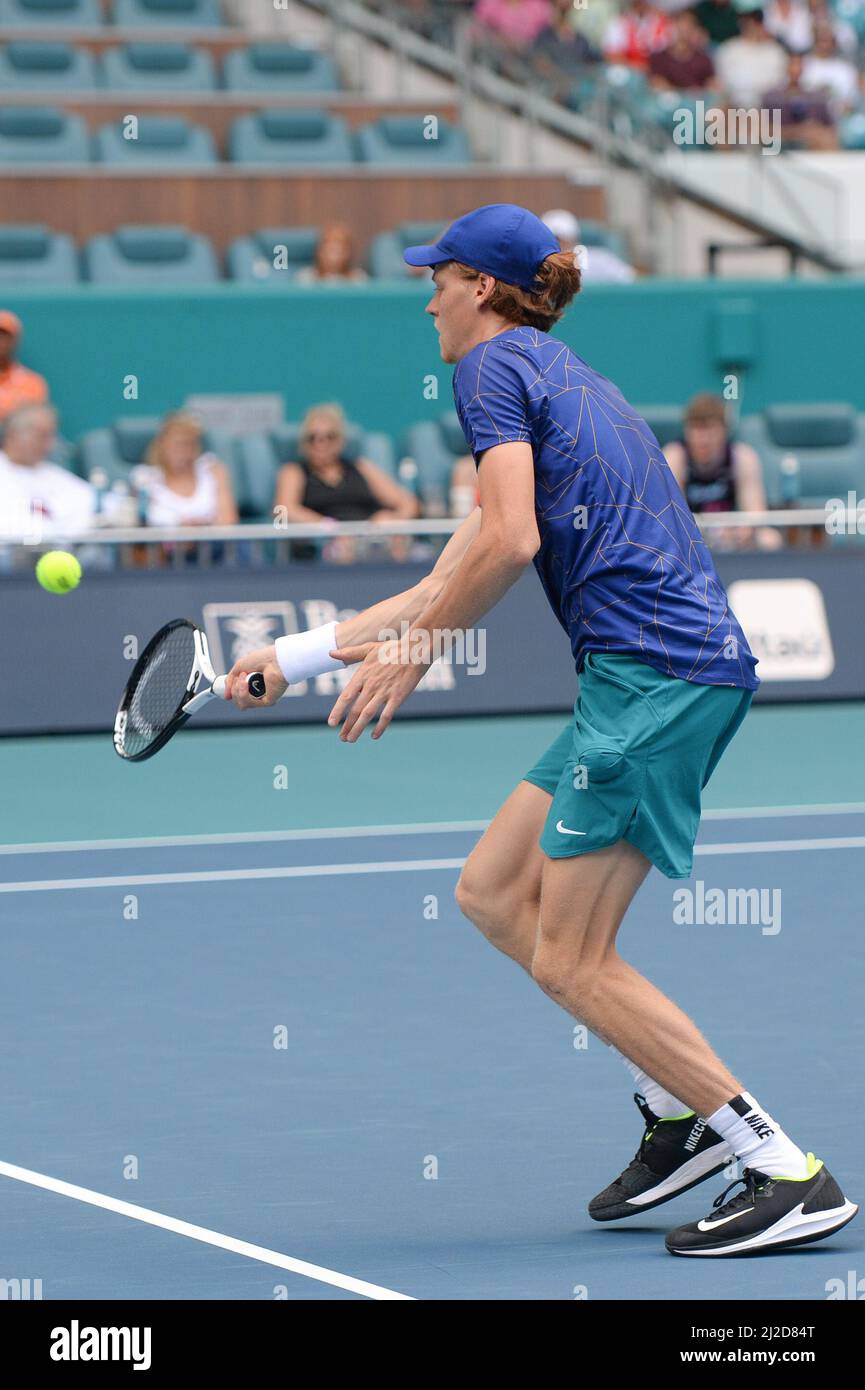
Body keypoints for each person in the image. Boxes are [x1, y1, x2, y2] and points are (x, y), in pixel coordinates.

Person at [224, 204, 856, 1257]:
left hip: (655, 679)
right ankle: (673, 1111)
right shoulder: (563, 383)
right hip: (644, 676)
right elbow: (457, 566)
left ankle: (781, 1167)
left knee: (570, 958)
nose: (426, 296)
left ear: (482, 287)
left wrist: (418, 650)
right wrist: (290, 657)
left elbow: (509, 541)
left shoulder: (488, 372)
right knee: (489, 889)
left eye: (439, 277)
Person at [273, 402, 418, 561]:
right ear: (304, 443)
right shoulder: (293, 471)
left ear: (340, 441)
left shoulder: (361, 467)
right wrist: (329, 527)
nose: (321, 444)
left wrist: (390, 521)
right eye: (313, 438)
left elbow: (408, 503)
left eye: (330, 437)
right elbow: (283, 511)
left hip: (371, 539)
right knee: (342, 548)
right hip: (326, 545)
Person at [664, 394, 783, 547]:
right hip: (689, 540)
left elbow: (756, 517)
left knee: (769, 539)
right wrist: (705, 533)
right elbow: (671, 520)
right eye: (696, 429)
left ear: (724, 430)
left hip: (733, 536)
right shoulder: (674, 458)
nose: (703, 439)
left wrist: (742, 531)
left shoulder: (743, 458)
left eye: (710, 429)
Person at [0, 403, 96, 542]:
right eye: (41, 436)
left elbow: (95, 505)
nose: (49, 445)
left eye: (51, 436)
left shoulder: (58, 477)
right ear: (13, 435)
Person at [143, 412, 238, 527]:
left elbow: (228, 521)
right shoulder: (144, 478)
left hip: (214, 544)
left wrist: (200, 528)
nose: (183, 451)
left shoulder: (214, 469)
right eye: (177, 444)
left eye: (190, 444)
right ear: (162, 444)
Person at [764, 51, 838, 149]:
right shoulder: (772, 97)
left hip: (812, 146)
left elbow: (831, 129)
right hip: (778, 145)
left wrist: (815, 131)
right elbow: (763, 130)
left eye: (799, 65)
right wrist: (800, 131)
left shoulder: (816, 98)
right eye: (792, 65)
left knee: (826, 139)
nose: (795, 69)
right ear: (785, 68)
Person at [542, 208, 636, 284]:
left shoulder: (599, 259)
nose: (556, 244)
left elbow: (630, 279)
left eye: (560, 239)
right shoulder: (537, 266)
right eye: (550, 240)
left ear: (572, 239)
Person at [715, 7, 787, 105]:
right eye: (746, 21)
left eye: (755, 21)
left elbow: (779, 84)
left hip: (769, 109)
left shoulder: (776, 52)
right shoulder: (727, 50)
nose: (750, 25)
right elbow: (722, 84)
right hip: (735, 108)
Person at [649, 7, 716, 90]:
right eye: (682, 24)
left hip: (697, 99)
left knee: (703, 102)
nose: (685, 29)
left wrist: (703, 92)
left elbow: (712, 85)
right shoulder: (659, 58)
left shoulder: (703, 59)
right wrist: (684, 94)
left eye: (690, 25)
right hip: (672, 100)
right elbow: (658, 84)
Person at [0, 311, 49, 423]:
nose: (1, 342)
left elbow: (36, 424)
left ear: (15, 341)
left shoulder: (33, 383)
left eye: (5, 337)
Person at [295, 223, 369, 285]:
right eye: (329, 249)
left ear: (349, 253)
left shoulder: (358, 279)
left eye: (339, 250)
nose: (334, 255)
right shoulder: (306, 278)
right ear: (319, 252)